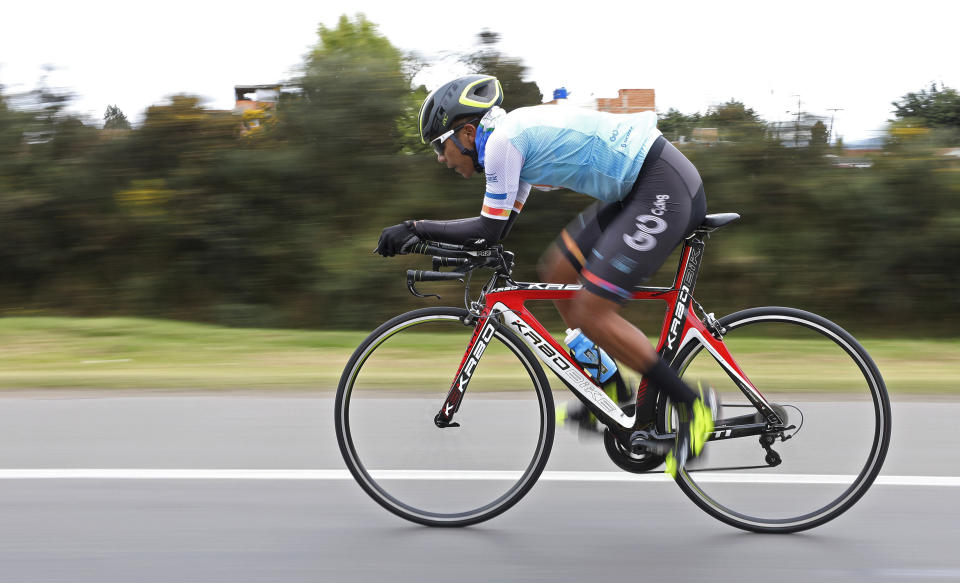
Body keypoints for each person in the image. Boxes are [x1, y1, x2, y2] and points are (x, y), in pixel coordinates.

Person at [375, 74, 714, 476]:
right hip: (641, 187)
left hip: (662, 187)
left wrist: (415, 229)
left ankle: (692, 406)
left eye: (439, 145)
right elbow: (494, 233)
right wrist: (430, 241)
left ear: (467, 133)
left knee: (592, 310)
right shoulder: (507, 145)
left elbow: (486, 230)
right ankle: (611, 390)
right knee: (558, 269)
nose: (440, 157)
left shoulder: (503, 143)